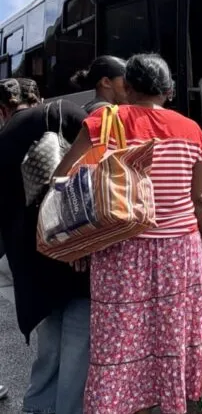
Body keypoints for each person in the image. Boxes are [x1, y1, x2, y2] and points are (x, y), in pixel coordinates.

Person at [53, 54, 202, 414]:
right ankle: (168, 403)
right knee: (171, 335)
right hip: (181, 251)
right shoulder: (191, 130)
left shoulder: (102, 122)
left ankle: (121, 406)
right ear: (169, 91)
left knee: (120, 339)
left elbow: (63, 179)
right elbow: (200, 199)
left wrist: (79, 240)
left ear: (126, 87)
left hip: (120, 250)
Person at [0, 78, 90, 414]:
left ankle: (37, 407)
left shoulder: (4, 138)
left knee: (50, 345)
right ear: (41, 98)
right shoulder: (65, 112)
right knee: (78, 348)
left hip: (31, 261)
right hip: (76, 254)